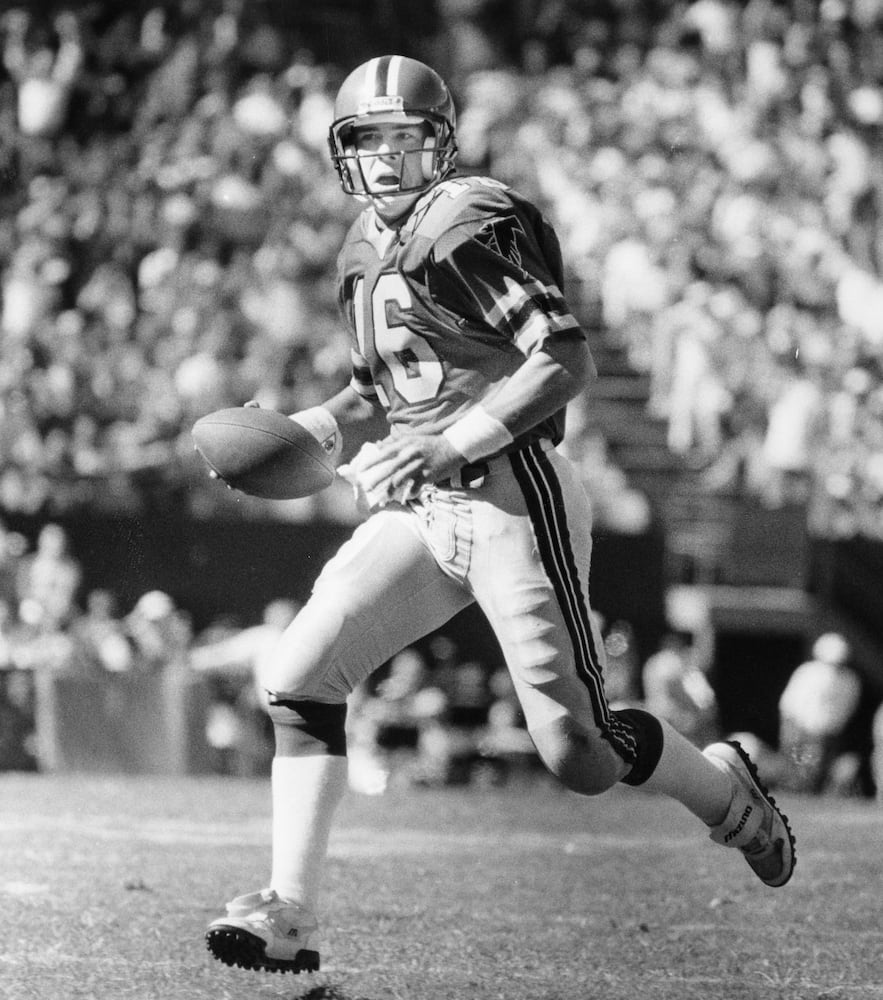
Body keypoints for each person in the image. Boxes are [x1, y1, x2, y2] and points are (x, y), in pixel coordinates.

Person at [205, 55, 796, 976]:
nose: (387, 158)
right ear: (342, 150)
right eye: (368, 140)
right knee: (297, 676)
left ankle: (723, 793)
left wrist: (447, 445)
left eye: (405, 138)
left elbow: (563, 357)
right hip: (424, 503)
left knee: (579, 755)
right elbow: (378, 390)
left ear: (439, 143)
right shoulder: (361, 246)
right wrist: (305, 431)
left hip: (512, 493)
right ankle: (290, 910)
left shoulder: (465, 219)